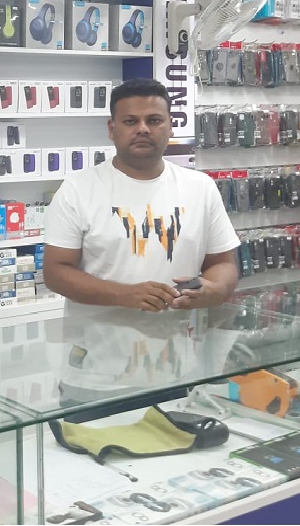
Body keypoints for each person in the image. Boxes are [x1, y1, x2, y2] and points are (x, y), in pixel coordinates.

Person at [43, 78, 241, 400]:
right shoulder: (78, 189)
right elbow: (55, 272)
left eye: (154, 120)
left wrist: (214, 290)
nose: (143, 129)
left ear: (171, 126)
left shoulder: (200, 187)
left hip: (179, 368)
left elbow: (223, 263)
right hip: (96, 373)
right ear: (112, 129)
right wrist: (126, 295)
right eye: (130, 121)